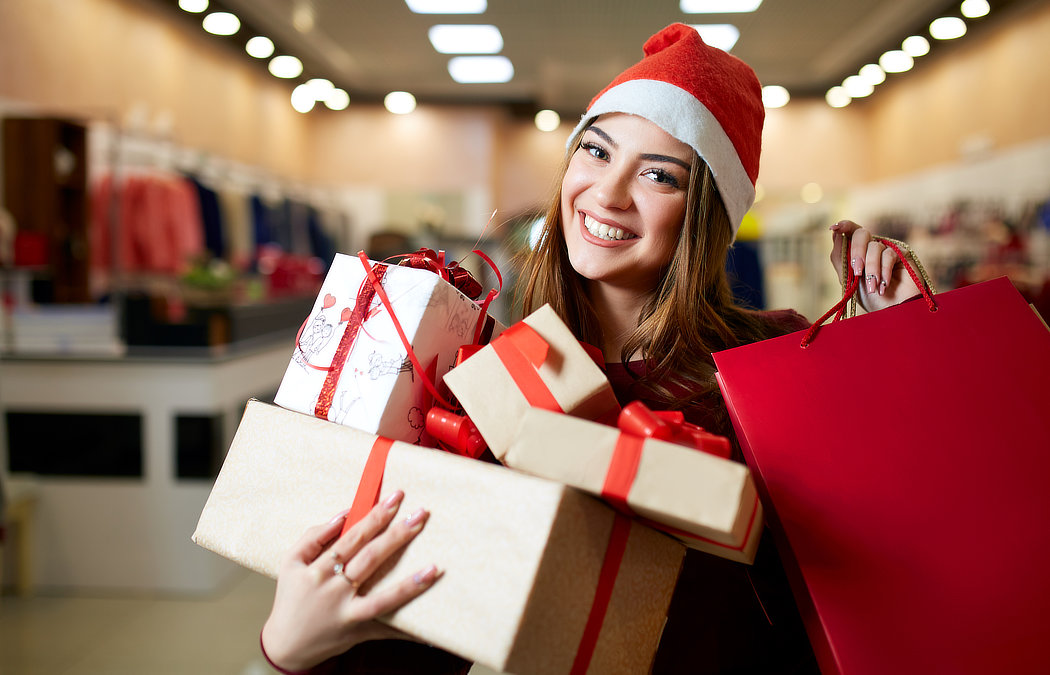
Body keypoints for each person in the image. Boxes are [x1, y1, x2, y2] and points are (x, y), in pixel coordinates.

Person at [260, 23, 922, 674]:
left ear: (707, 216)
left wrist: (905, 341)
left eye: (660, 175)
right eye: (597, 151)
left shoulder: (774, 359)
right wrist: (291, 650)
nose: (606, 193)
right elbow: (426, 615)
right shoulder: (481, 378)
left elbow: (893, 552)